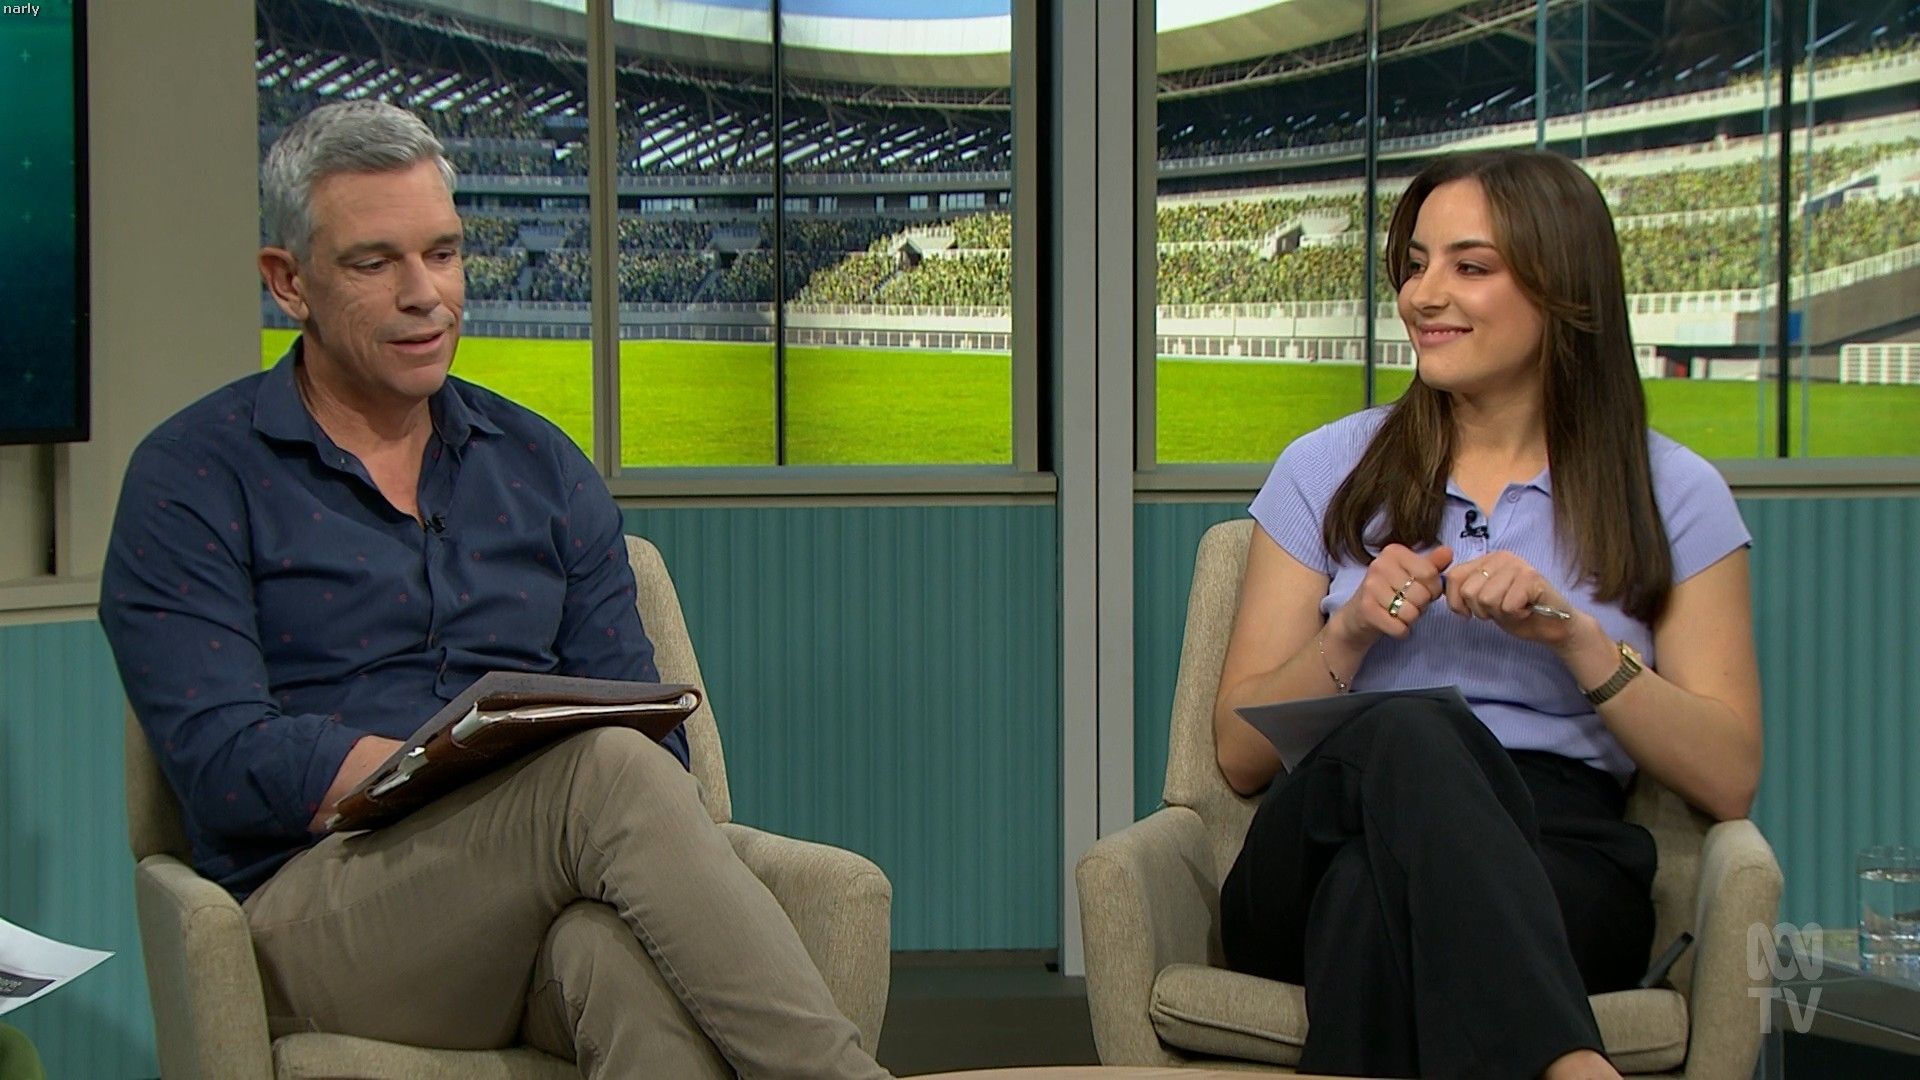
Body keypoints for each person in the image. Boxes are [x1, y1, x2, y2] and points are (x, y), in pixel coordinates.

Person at [99, 100, 889, 1080]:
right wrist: (447, 773)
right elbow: (221, 758)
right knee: (600, 773)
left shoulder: (541, 467)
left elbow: (651, 736)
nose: (424, 295)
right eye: (375, 262)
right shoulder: (192, 476)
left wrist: (528, 794)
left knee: (619, 965)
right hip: (319, 916)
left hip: (528, 910)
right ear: (288, 281)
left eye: (443, 253)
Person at [1212, 150, 1761, 1080]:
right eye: (1414, 264)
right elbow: (1237, 753)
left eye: (1469, 266)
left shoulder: (1672, 491)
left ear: (1564, 291)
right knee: (1412, 731)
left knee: (1370, 907)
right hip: (1320, 831)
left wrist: (1580, 643)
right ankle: (1570, 1063)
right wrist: (1348, 632)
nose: (1423, 295)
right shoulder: (1323, 468)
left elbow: (1729, 776)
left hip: (1557, 851)